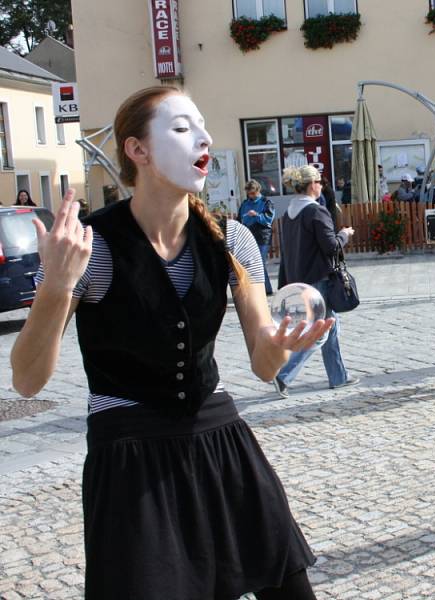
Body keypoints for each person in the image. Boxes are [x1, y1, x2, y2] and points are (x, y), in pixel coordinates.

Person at [9, 86, 333, 600]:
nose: (203, 138)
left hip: (220, 441)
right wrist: (56, 285)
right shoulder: (93, 247)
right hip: (130, 454)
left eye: (202, 126)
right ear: (137, 151)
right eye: (182, 129)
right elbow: (26, 380)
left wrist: (286, 343)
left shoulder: (232, 239)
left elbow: (264, 366)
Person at [274, 165, 359, 398]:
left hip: (299, 280)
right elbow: (331, 247)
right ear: (312, 185)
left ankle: (338, 376)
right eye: (320, 182)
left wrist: (284, 283)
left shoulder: (290, 213)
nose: (322, 186)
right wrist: (345, 234)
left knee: (330, 327)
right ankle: (284, 374)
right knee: (320, 332)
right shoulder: (316, 211)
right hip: (318, 279)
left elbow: (287, 253)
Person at [238, 179, 276, 295]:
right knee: (250, 263)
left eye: (253, 193)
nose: (251, 196)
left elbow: (269, 219)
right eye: (249, 193)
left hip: (262, 236)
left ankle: (267, 289)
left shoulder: (266, 202)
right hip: (248, 235)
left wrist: (257, 215)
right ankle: (259, 289)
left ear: (258, 190)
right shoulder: (245, 203)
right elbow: (239, 219)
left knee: (259, 262)